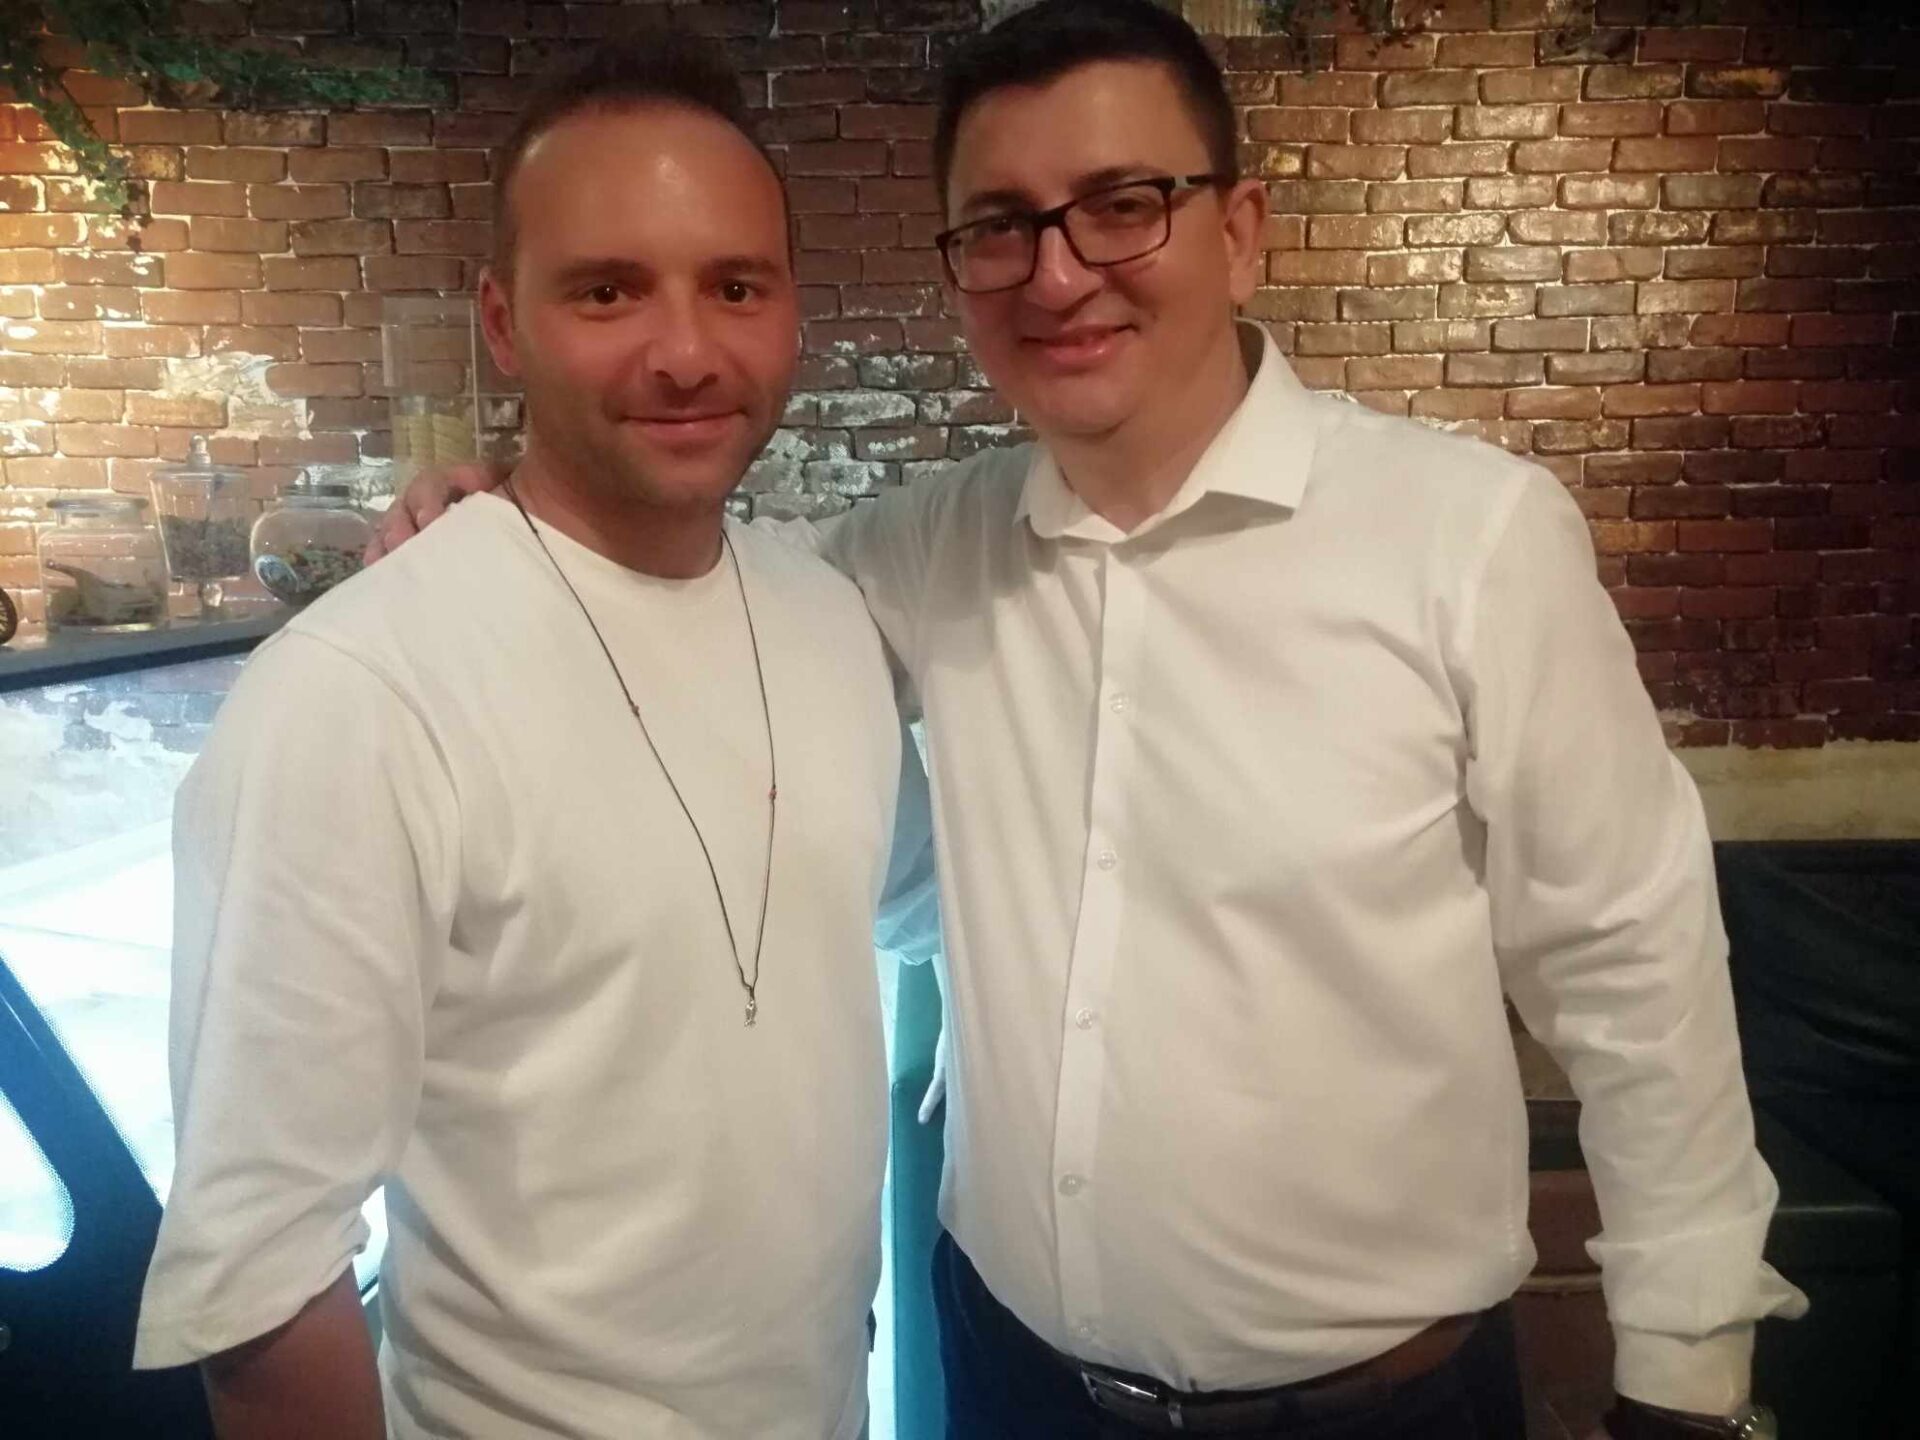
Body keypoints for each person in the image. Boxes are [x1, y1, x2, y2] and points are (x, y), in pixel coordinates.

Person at [379, 4, 1805, 1437]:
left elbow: (1633, 965)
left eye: (1124, 205)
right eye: (1001, 226)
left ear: (1240, 231)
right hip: (1009, 1379)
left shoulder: (1470, 540)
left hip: (1374, 1412)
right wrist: (514, 516)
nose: (1058, 275)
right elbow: (692, 602)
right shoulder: (925, 552)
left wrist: (1686, 1379)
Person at [133, 37, 921, 1440]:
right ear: (503, 323)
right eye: (608, 290)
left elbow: (918, 907)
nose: (687, 352)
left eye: (736, 286)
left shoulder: (828, 621)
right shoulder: (360, 692)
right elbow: (259, 1276)